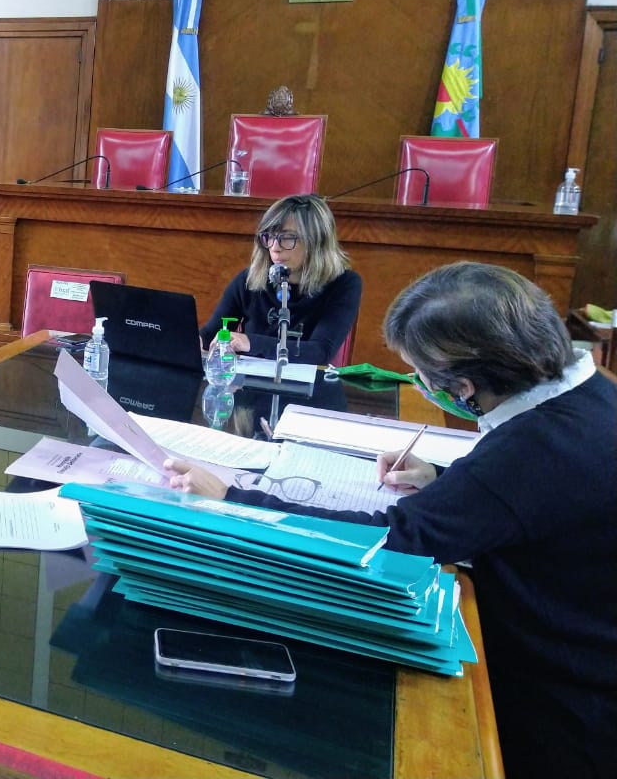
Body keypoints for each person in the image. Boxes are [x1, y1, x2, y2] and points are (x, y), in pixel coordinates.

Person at [168, 262, 617, 779]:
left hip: (560, 706)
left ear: (463, 388)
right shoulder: (585, 393)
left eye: (419, 374)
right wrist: (443, 478)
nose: (419, 383)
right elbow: (530, 497)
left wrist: (234, 497)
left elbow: (392, 539)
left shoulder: (532, 448)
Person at [198, 194, 361, 365]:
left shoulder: (344, 284)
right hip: (249, 378)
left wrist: (250, 342)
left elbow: (320, 351)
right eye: (269, 236)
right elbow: (210, 335)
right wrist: (195, 342)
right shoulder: (250, 279)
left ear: (316, 241)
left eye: (287, 237)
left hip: (304, 381)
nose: (275, 248)